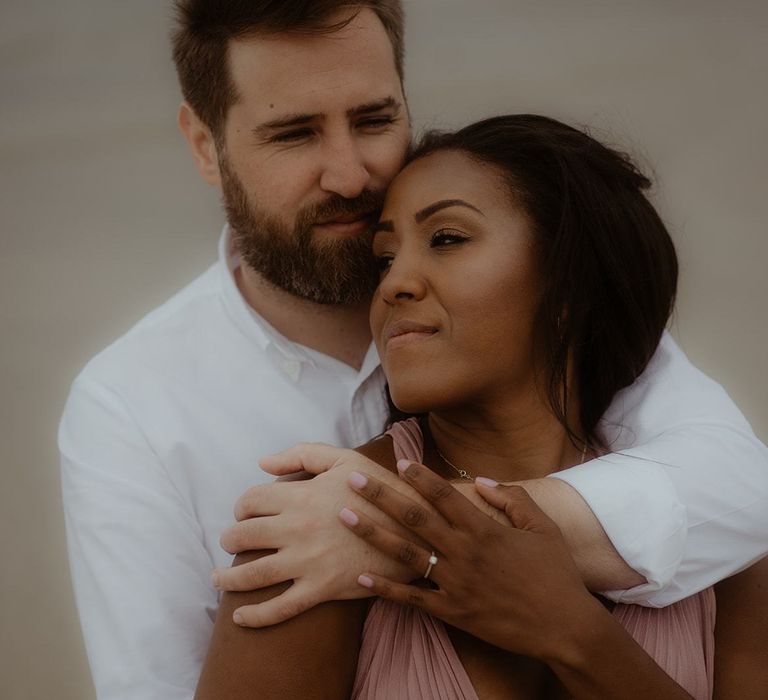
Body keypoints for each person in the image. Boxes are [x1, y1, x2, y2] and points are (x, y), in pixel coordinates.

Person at [57, 2, 768, 699]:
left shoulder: (570, 332)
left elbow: (742, 489)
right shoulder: (130, 405)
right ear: (206, 146)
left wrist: (403, 534)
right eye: (294, 134)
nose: (350, 176)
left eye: (373, 120)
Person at [196, 115, 768, 699]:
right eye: (383, 259)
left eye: (446, 239)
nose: (394, 284)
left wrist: (571, 635)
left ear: (569, 285)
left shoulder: (716, 540)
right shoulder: (316, 531)